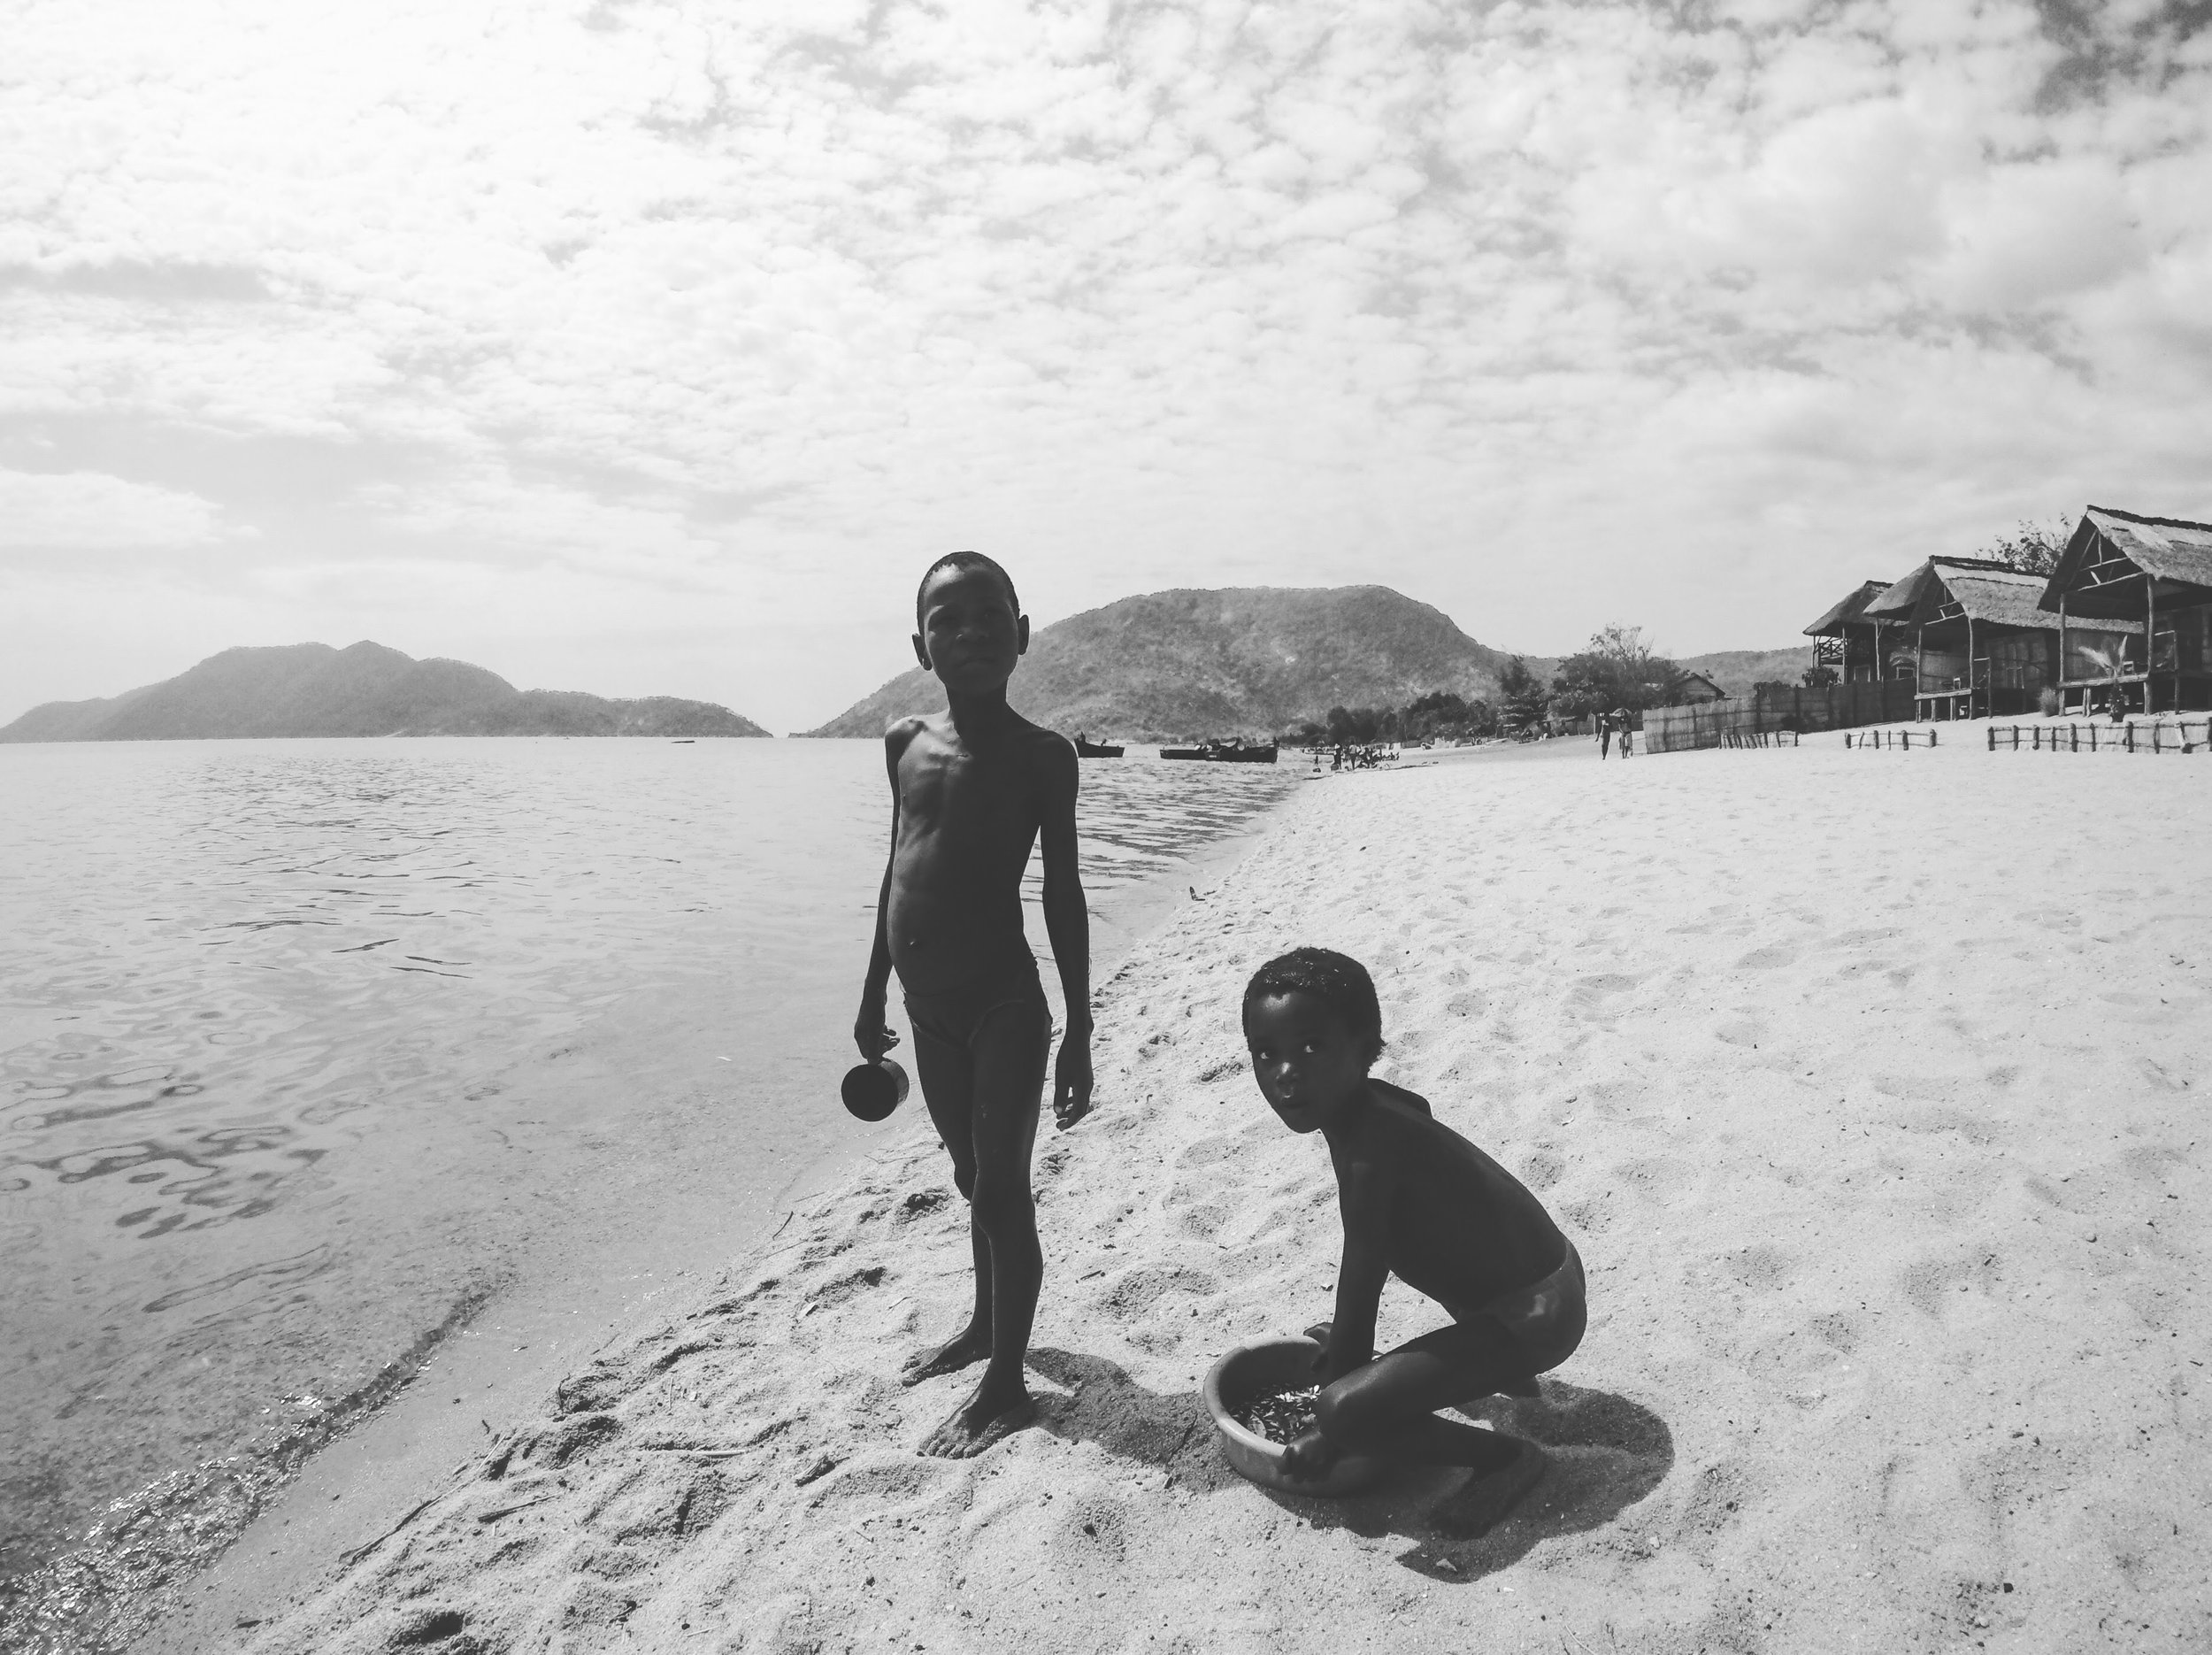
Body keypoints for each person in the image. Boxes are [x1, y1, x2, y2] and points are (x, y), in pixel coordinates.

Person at [855, 550, 1094, 1458]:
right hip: (925, 1010)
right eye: (948, 619)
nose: (970, 631)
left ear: (1022, 633)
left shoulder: (1042, 757)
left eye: (988, 614)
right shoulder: (903, 742)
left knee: (1002, 1189)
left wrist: (1079, 1026)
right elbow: (896, 869)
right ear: (920, 644)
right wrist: (871, 988)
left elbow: (1062, 892)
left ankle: (1004, 1387)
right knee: (969, 1179)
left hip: (1002, 1004)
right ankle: (986, 1322)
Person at [1240, 948, 1585, 1535]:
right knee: (1358, 1376)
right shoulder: (1378, 1106)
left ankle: (1507, 1459)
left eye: (1311, 1048)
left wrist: (1336, 1414)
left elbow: (1362, 1277)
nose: (1285, 1073)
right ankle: (1503, 1372)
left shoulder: (1371, 1152)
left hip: (1536, 1316)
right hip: (1537, 1282)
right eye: (1266, 1054)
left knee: (1345, 1410)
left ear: (1364, 1046)